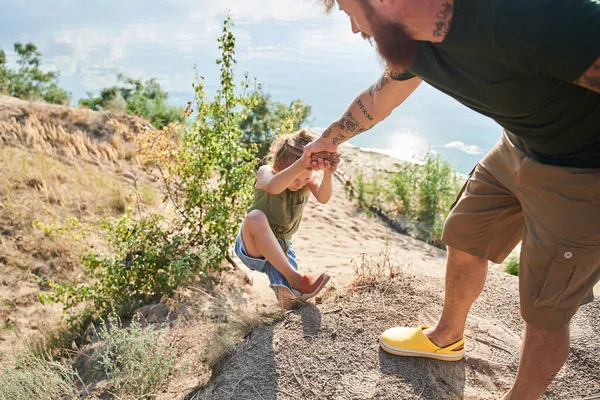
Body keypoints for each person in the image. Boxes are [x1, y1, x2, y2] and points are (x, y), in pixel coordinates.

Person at [304, 0, 600, 398]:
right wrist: (328, 140)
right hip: (516, 147)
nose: (355, 29)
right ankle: (446, 337)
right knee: (465, 235)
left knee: (545, 308)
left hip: (582, 171)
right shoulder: (411, 43)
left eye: (349, 11)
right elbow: (379, 100)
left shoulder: (523, 14)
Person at [235, 129, 339, 309]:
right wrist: (301, 164)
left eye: (304, 178)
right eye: (295, 178)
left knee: (291, 298)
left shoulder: (306, 180)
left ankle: (288, 293)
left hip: (281, 245)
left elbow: (323, 198)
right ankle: (297, 278)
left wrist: (328, 174)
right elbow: (273, 187)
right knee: (255, 217)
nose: (299, 183)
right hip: (251, 243)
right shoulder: (266, 172)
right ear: (278, 165)